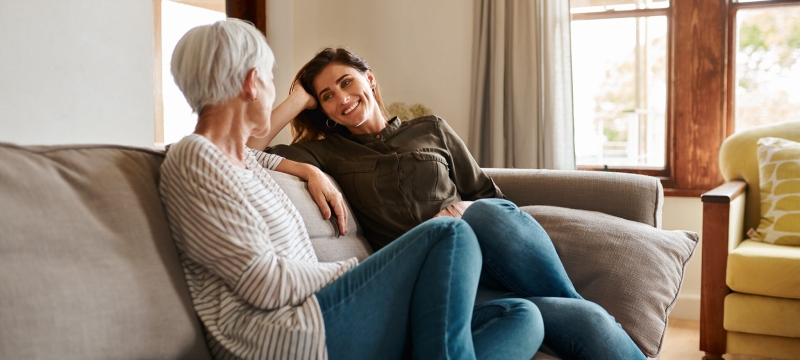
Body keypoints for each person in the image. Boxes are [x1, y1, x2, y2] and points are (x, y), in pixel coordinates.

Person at [159, 19, 543, 360]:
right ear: (250, 83)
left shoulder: (240, 161)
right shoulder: (196, 158)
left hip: (324, 315)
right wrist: (356, 269)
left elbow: (256, 153)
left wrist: (309, 170)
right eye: (269, 80)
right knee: (449, 233)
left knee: (522, 316)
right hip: (292, 337)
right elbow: (263, 283)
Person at [248, 47, 648, 360]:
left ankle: (570, 301)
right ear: (324, 110)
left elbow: (490, 198)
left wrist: (465, 210)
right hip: (443, 282)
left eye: (347, 83)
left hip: (489, 254)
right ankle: (577, 309)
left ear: (369, 79)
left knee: (490, 216)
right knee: (587, 320)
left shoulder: (431, 128)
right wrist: (301, 116)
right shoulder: (328, 153)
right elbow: (247, 148)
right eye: (327, 96)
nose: (343, 99)